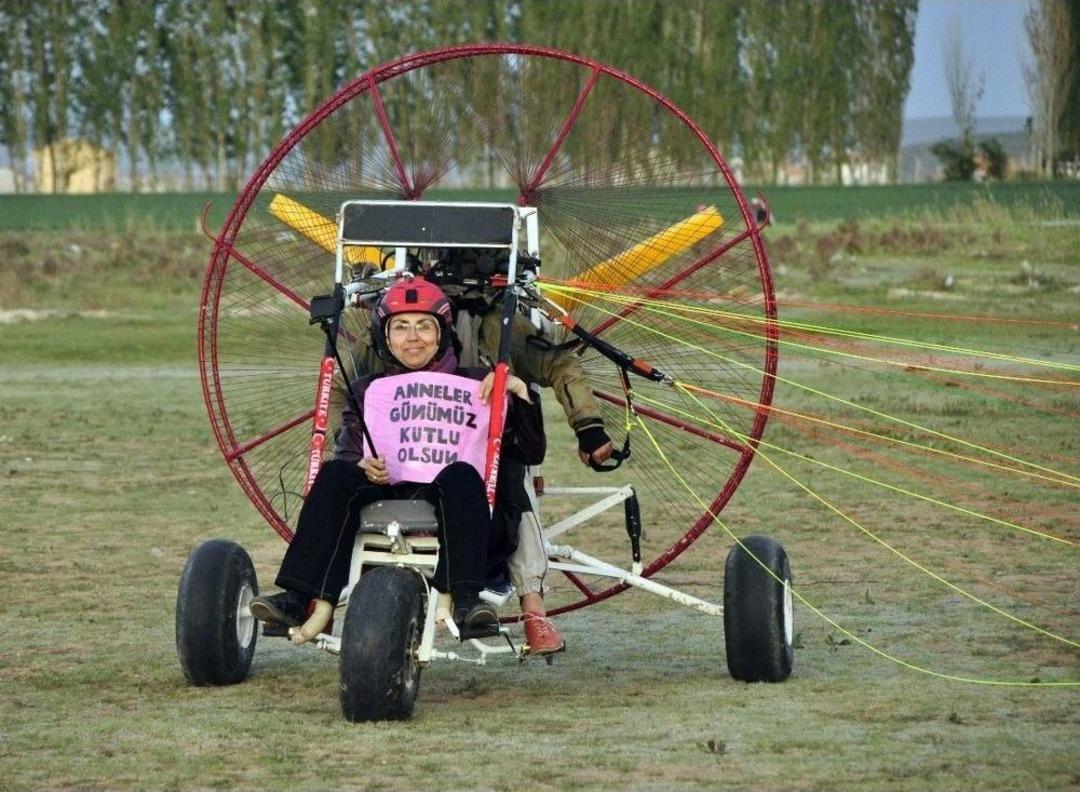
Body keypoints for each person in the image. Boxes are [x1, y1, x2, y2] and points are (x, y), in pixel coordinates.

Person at [251, 277, 545, 644]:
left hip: (457, 501)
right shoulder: (369, 391)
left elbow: (531, 453)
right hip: (386, 489)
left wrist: (519, 395)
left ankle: (467, 602)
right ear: (386, 338)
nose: (413, 338)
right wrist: (360, 465)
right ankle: (297, 597)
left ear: (442, 335)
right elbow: (348, 452)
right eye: (401, 327)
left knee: (462, 476)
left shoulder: (480, 384)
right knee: (336, 473)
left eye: (425, 326)